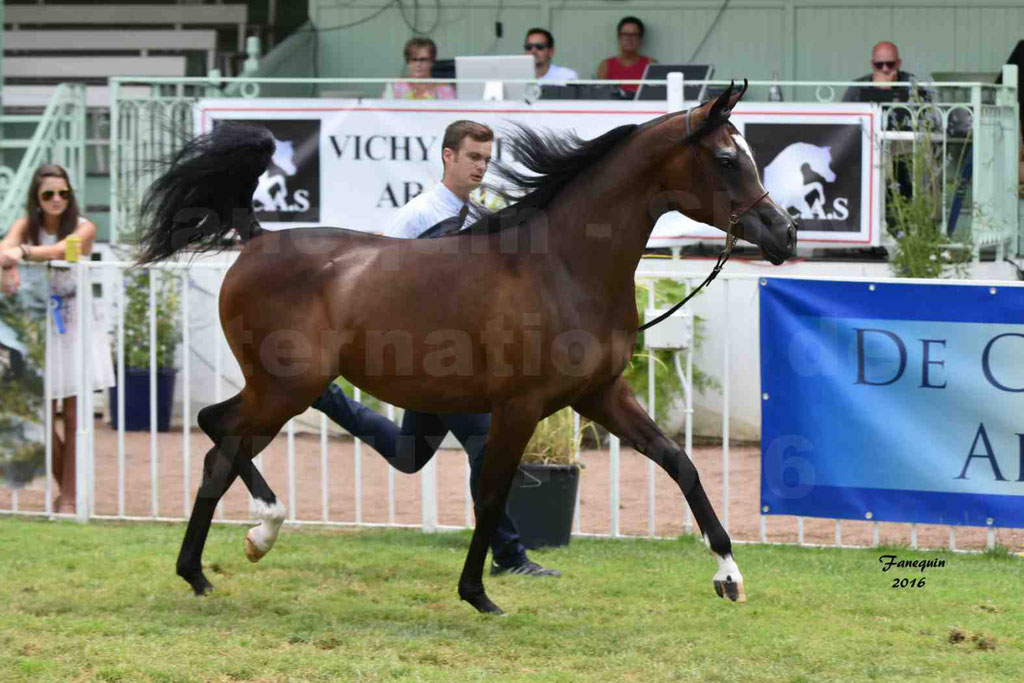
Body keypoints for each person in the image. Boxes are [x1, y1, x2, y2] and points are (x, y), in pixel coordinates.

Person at [312, 120, 559, 578]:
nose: (481, 167)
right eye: (473, 157)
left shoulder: (483, 218)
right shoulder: (417, 216)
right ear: (448, 156)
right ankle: (509, 556)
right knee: (487, 446)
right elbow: (379, 283)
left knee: (409, 455)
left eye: (486, 159)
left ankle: (323, 396)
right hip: (434, 362)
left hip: (461, 363)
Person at [0, 165, 116, 512]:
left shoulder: (85, 227)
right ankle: (67, 490)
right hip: (39, 325)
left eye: (63, 193)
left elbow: (65, 250)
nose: (56, 200)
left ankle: (68, 497)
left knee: (75, 412)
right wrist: (11, 262)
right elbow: (5, 248)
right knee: (42, 412)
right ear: (37, 197)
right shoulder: (26, 226)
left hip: (76, 324)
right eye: (48, 194)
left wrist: (22, 254)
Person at [842, 41, 930, 106]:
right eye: (879, 65)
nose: (885, 69)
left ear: (899, 63)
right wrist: (878, 91)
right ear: (872, 65)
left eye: (890, 64)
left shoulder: (913, 84)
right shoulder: (857, 87)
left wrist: (888, 91)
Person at [596, 16, 656, 96]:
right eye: (625, 34)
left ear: (640, 39)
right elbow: (600, 96)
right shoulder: (606, 66)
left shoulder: (650, 64)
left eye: (634, 35)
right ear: (619, 37)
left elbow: (654, 94)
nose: (629, 38)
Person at [387, 37, 456, 101]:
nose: (418, 64)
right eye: (414, 60)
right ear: (408, 62)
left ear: (432, 62)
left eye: (423, 60)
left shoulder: (445, 88)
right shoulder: (397, 86)